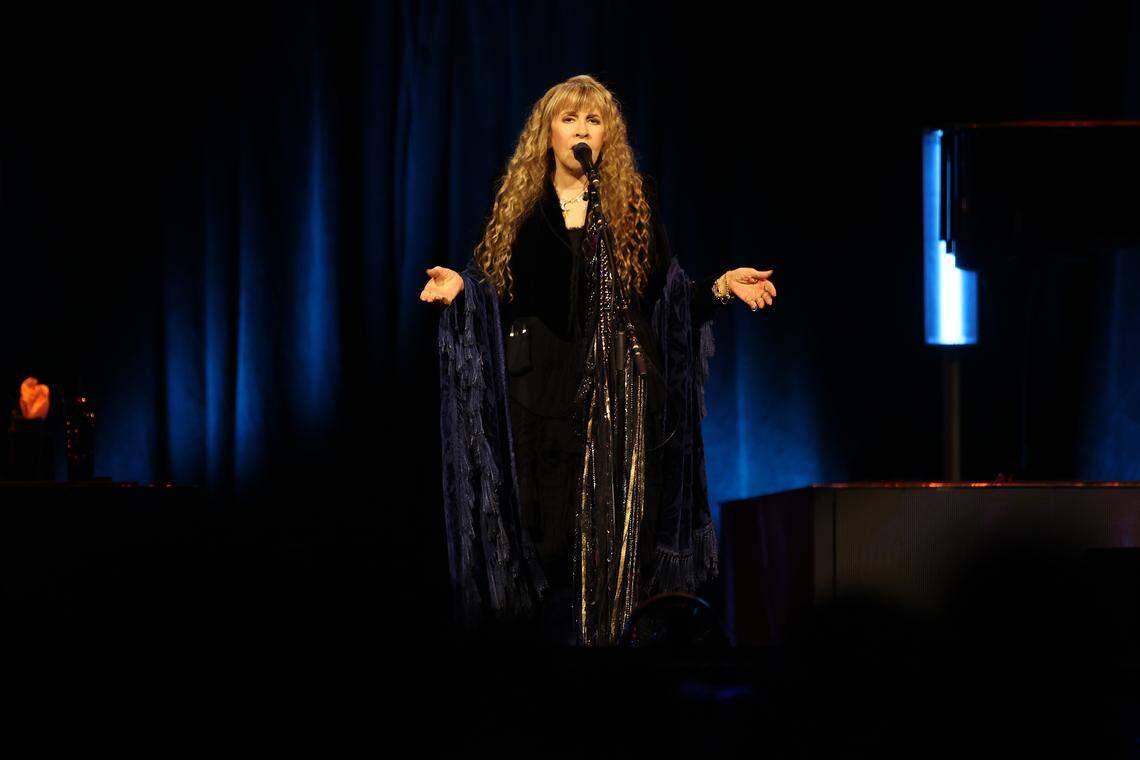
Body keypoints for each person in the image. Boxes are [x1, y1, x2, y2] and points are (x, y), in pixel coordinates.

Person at [422, 75, 776, 646]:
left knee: (619, 545)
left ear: (608, 136)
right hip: (541, 397)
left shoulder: (633, 204)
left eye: (594, 120)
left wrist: (720, 286)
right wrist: (461, 286)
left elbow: (668, 294)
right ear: (548, 134)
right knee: (553, 542)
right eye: (569, 119)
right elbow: (495, 284)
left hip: (624, 396)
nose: (582, 130)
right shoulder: (519, 205)